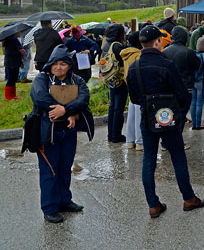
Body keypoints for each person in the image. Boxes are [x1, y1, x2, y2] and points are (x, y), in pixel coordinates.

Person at [126, 25, 204, 218]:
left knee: (149, 160)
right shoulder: (167, 64)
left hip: (147, 118)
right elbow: (182, 93)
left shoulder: (134, 67)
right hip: (169, 118)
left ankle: (153, 204)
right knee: (178, 157)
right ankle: (188, 199)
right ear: (157, 42)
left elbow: (134, 98)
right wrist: (178, 113)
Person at [30, 44, 94, 223]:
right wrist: (64, 110)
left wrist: (66, 111)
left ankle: (64, 200)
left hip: (68, 133)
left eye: (63, 64)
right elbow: (40, 97)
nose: (58, 67)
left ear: (69, 65)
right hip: (47, 133)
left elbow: (84, 98)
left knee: (65, 169)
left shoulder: (77, 80)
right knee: (50, 171)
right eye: (54, 63)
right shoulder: (42, 79)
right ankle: (49, 207)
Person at [163, 26, 201, 122]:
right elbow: (197, 65)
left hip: (168, 88)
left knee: (170, 114)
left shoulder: (164, 51)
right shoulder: (189, 52)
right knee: (181, 113)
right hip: (185, 86)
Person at [102, 23, 127, 143]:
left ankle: (110, 134)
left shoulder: (106, 44)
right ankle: (116, 135)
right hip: (119, 79)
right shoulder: (117, 46)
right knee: (118, 108)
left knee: (112, 107)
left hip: (110, 79)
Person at [121, 31, 144, 150]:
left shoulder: (126, 53)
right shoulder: (138, 54)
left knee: (131, 113)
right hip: (138, 85)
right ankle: (140, 142)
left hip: (128, 84)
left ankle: (130, 141)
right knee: (139, 114)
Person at [3, 30, 25, 100]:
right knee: (11, 79)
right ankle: (8, 96)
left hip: (15, 62)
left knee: (14, 79)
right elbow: (9, 53)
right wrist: (20, 52)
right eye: (19, 32)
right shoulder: (11, 40)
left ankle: (13, 94)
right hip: (11, 62)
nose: (20, 33)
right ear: (15, 32)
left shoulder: (14, 39)